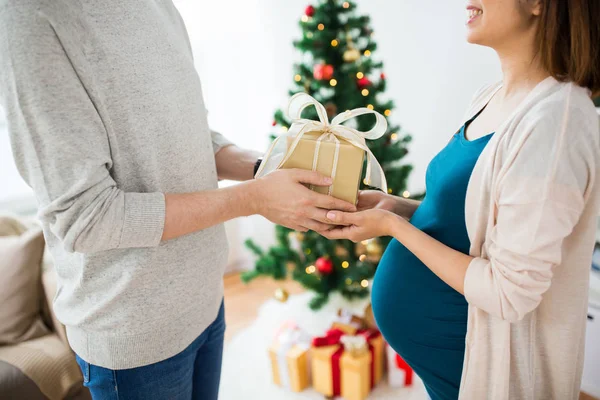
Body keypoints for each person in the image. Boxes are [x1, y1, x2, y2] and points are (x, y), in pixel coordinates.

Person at [0, 1, 355, 399]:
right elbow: (86, 217)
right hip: (135, 335)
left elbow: (186, 138)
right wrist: (255, 198)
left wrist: (265, 170)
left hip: (206, 299)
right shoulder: (33, 18)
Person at [321, 0, 600, 399]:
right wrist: (396, 207)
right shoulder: (492, 96)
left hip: (481, 366)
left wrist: (393, 228)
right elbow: (474, 225)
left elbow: (509, 292)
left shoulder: (558, 123)